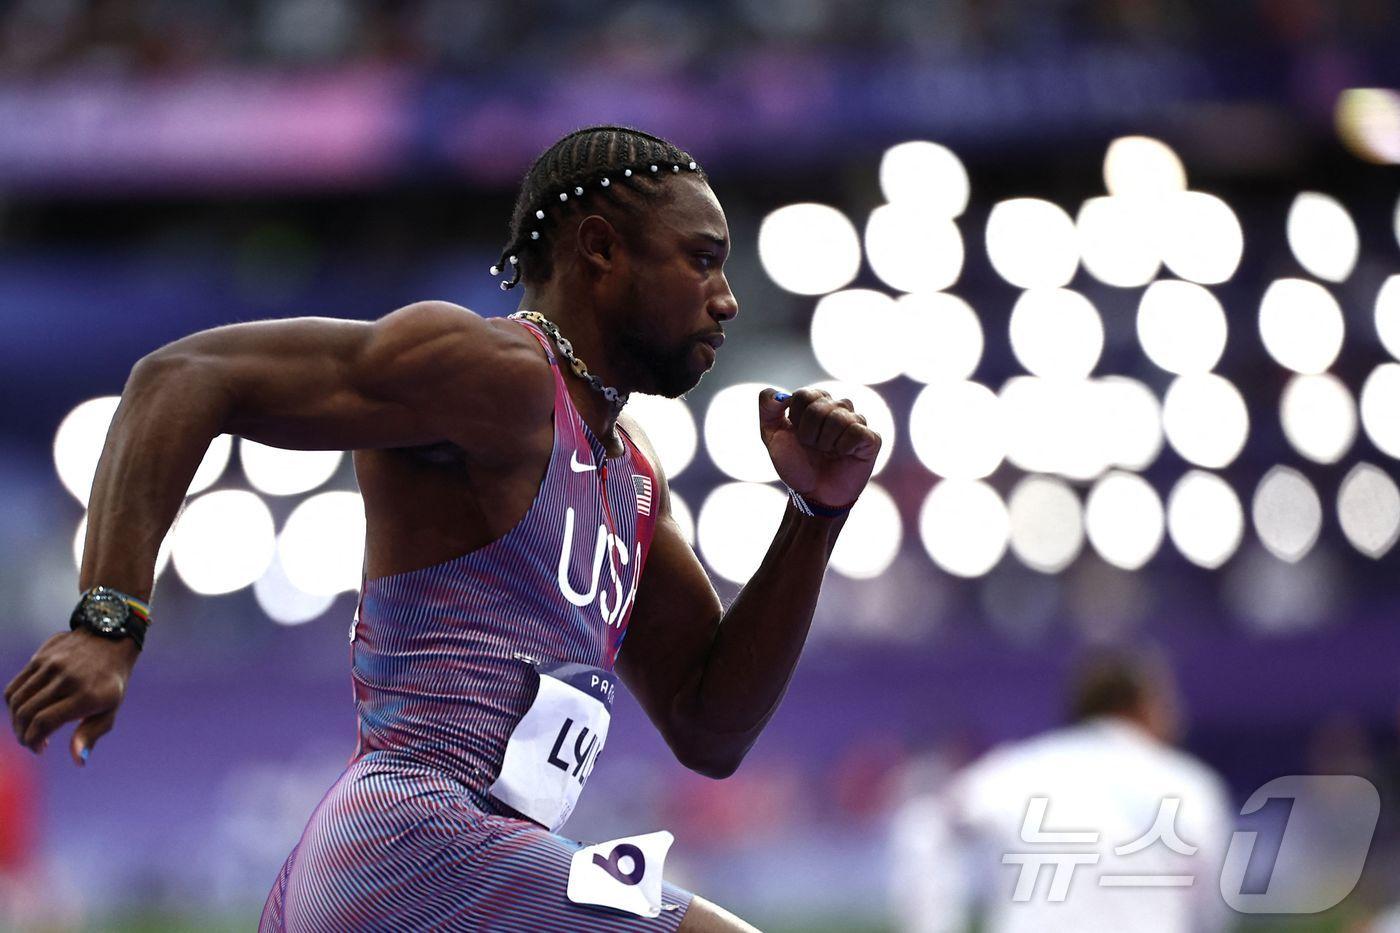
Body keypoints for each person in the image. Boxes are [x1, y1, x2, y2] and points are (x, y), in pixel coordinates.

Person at [3, 125, 882, 931]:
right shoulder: (494, 376)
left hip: (446, 868)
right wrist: (108, 620)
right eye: (702, 261)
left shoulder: (630, 471)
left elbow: (709, 727)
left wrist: (815, 514)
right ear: (602, 251)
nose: (727, 300)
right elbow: (181, 375)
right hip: (415, 843)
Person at [890, 650, 1234, 933]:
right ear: (1142, 706)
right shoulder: (1190, 787)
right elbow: (1215, 907)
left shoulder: (1017, 772)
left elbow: (923, 825)